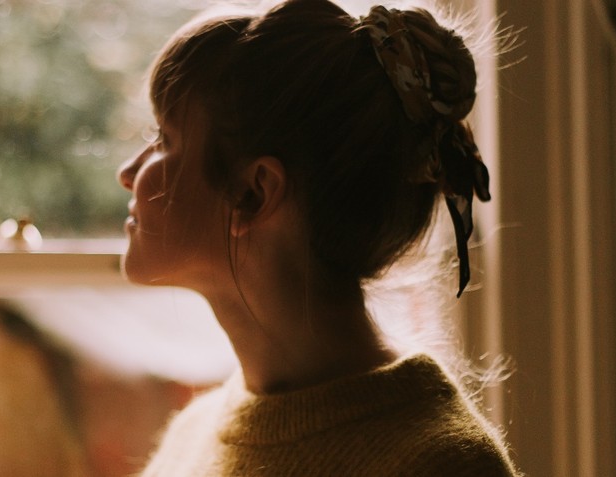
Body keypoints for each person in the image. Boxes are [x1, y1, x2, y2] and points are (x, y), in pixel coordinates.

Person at [117, 0, 520, 475]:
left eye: (164, 139)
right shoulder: (192, 436)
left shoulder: (439, 463)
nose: (128, 172)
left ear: (254, 192)